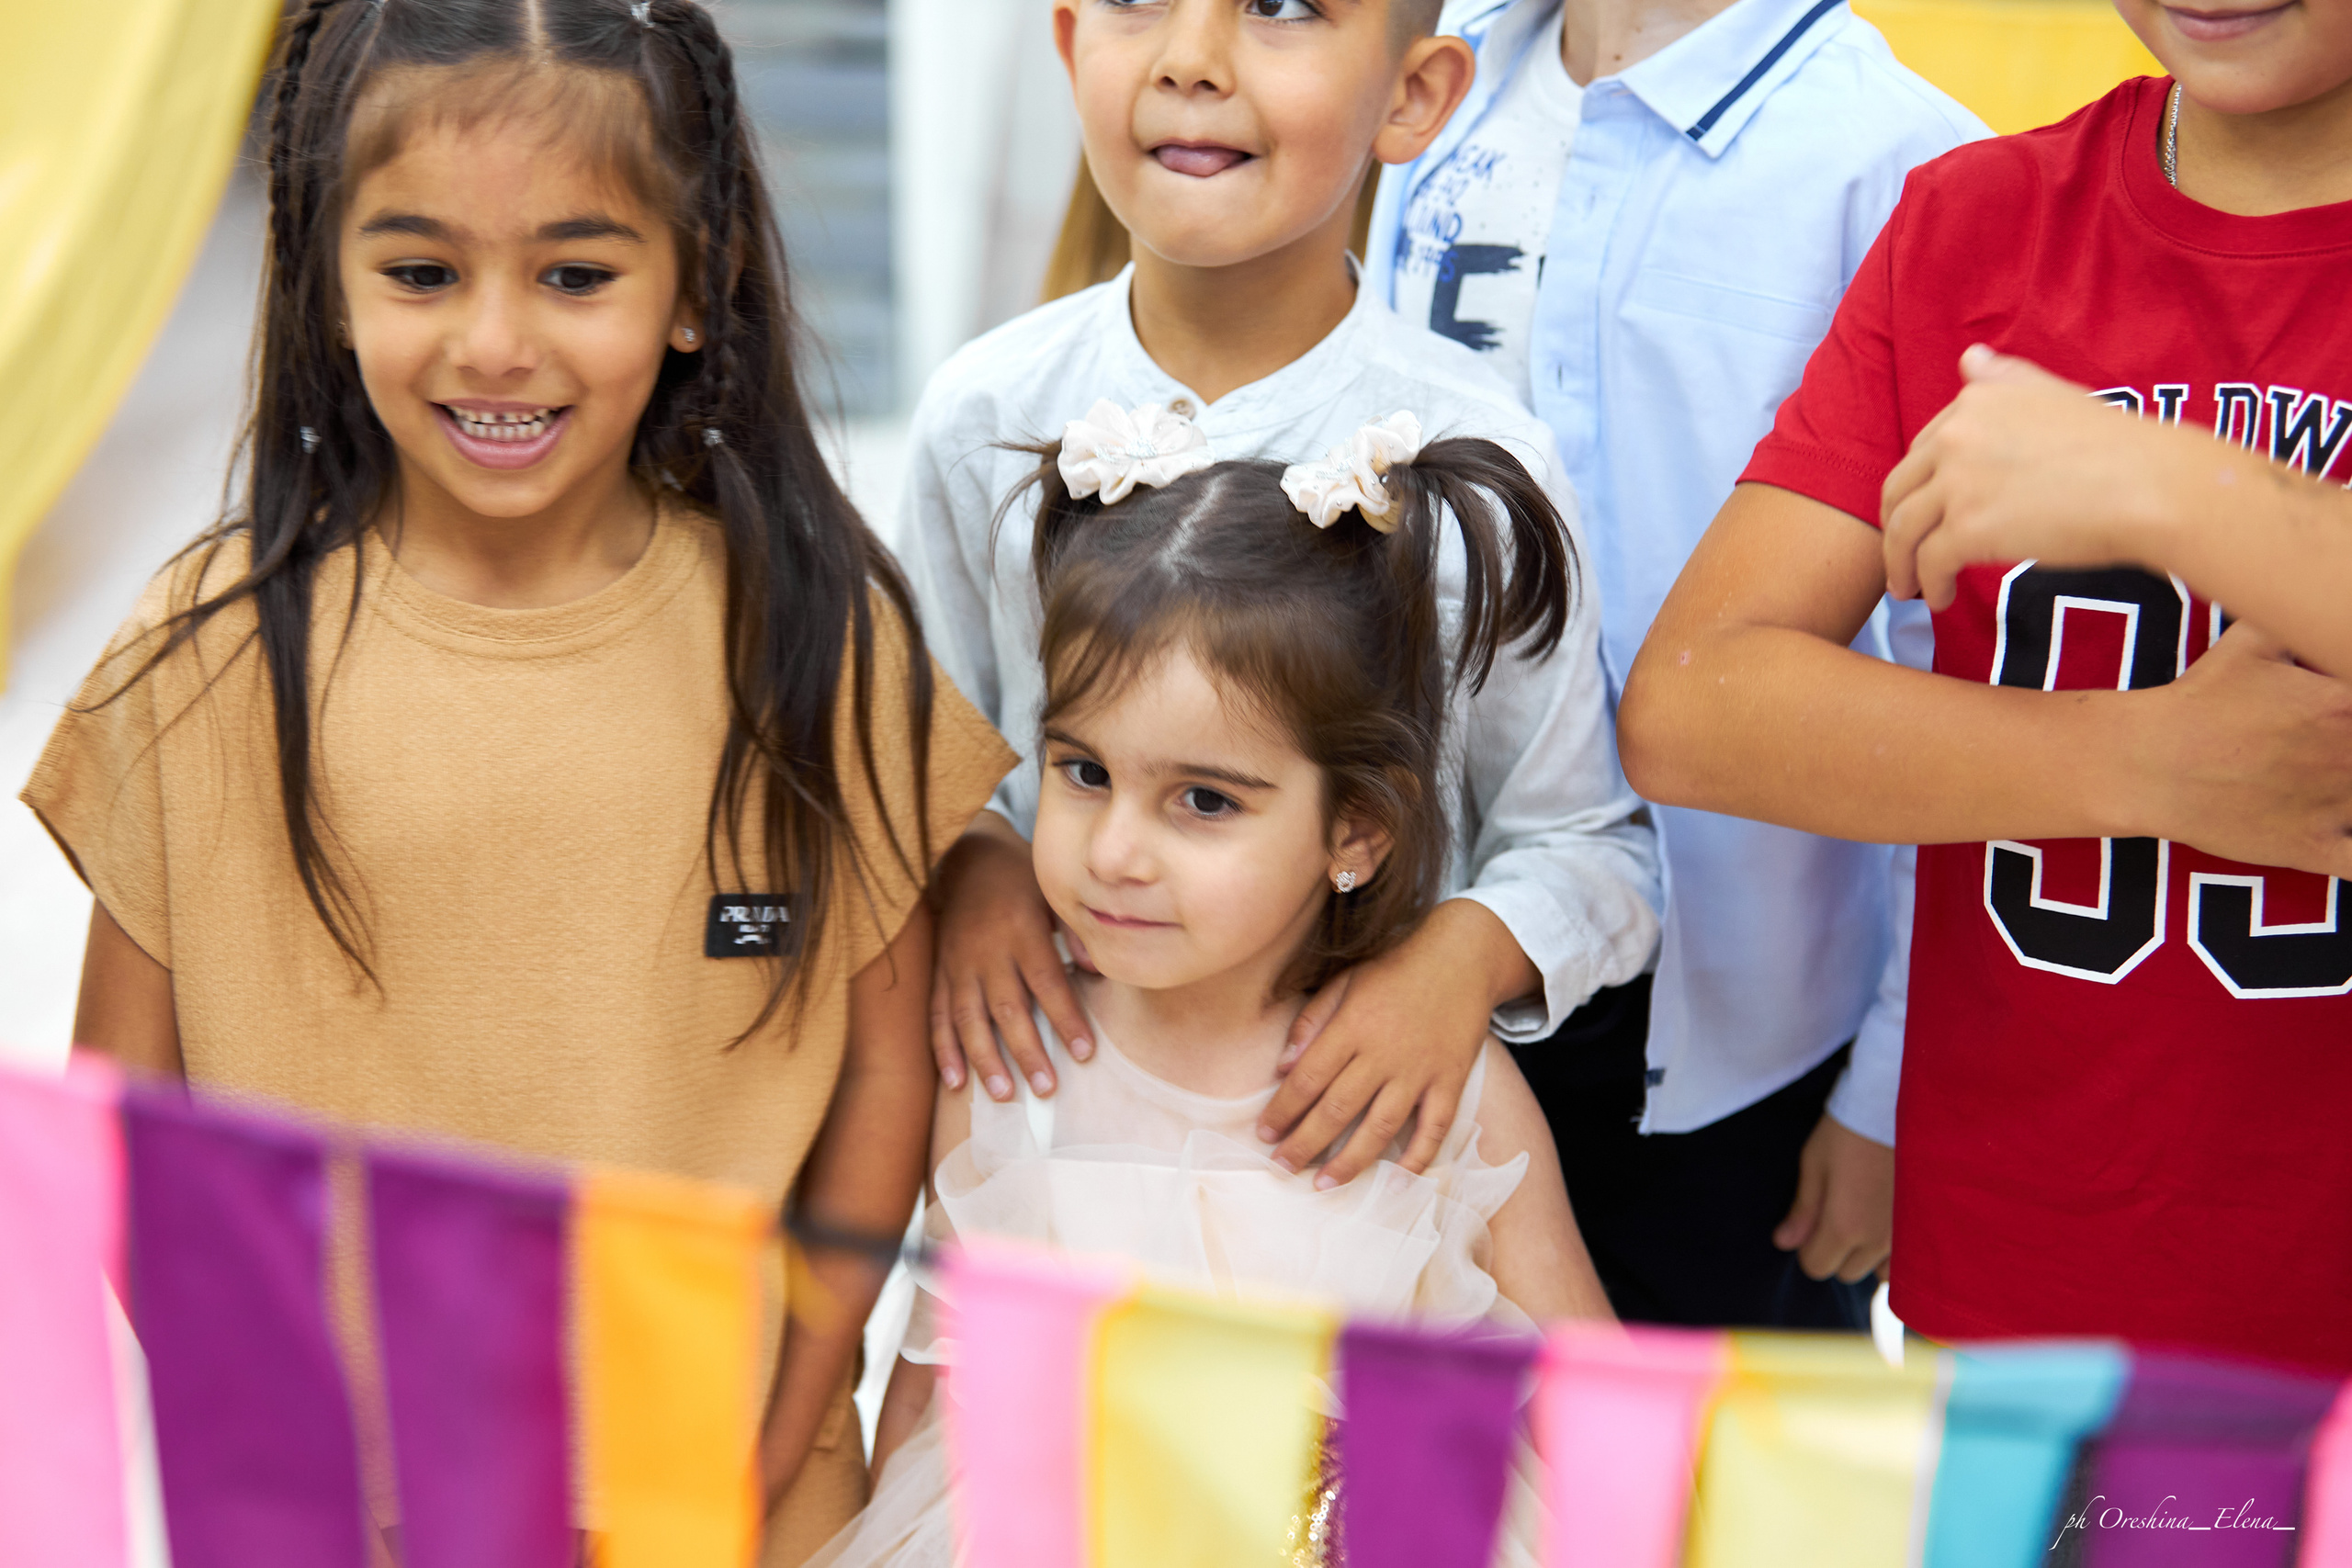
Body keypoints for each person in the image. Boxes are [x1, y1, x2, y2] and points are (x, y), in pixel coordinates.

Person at [22, 1, 1013, 1558]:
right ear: (330, 284)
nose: (496, 341)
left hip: (737, 1517)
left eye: (575, 273)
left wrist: (774, 1427)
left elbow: (887, 1075)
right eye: (422, 271)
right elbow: (128, 1121)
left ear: (698, 287)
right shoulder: (206, 659)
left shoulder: (816, 637)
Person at [1617, 0, 2352, 1371]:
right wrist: (2153, 764)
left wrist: (2175, 487)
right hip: (2025, 1302)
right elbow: (1696, 700)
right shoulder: (1978, 219)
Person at [812, 420, 1614, 1568]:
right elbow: (932, 1401)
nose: (1116, 854)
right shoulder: (1013, 1068)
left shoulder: (1443, 1083)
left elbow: (1596, 1400)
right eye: (1083, 774)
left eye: (1203, 802)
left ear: (1355, 831)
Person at [909, 0, 1661, 1197]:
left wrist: (1460, 961)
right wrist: (974, 851)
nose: (1191, 61)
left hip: (1359, 1168)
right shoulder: (981, 415)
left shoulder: (1480, 460)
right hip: (1052, 1137)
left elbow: (1590, 846)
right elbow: (922, 746)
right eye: (1136, 1)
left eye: (1283, 9)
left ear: (1413, 96)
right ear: (1066, 45)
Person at [1359, 0, 1981, 1326]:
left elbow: (1963, 678)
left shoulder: (1900, 160)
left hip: (1732, 1022)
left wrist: (1890, 1084)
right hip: (1429, 951)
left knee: (1699, 1480)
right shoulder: (1426, 86)